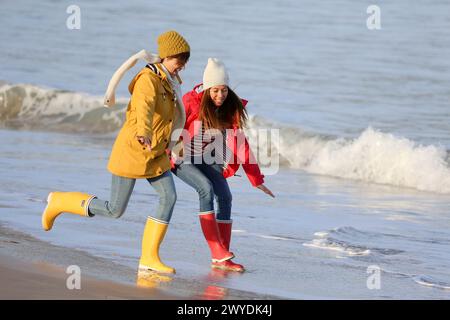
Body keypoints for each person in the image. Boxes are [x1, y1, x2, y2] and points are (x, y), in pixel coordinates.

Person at [41, 30, 190, 275]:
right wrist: (144, 132)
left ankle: (149, 258)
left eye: (183, 64)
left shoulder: (170, 82)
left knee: (169, 197)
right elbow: (143, 107)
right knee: (114, 209)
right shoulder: (148, 79)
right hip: (134, 148)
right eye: (178, 62)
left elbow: (173, 117)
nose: (180, 68)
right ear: (165, 56)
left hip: (155, 153)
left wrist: (177, 145)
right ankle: (60, 201)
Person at [171, 58, 275, 272]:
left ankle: (222, 258)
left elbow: (240, 144)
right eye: (216, 90)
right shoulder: (191, 102)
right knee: (205, 189)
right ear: (208, 87)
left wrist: (255, 179)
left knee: (225, 197)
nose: (220, 96)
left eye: (224, 90)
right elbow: (170, 124)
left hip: (205, 158)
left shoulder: (229, 108)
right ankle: (217, 252)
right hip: (180, 156)